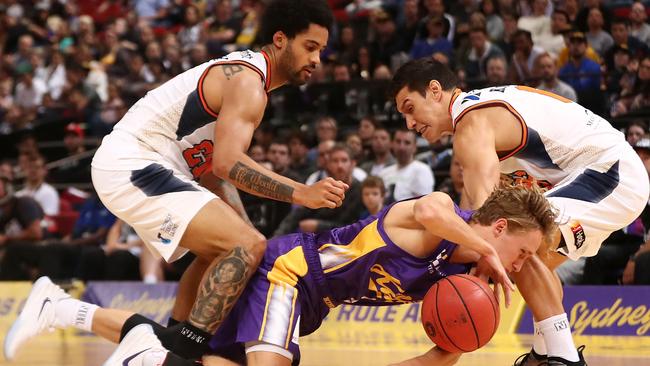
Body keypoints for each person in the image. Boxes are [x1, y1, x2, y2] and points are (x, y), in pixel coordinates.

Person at [8, 0, 345, 362]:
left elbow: (211, 171)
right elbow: (229, 163)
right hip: (133, 162)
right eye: (310, 47)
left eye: (321, 51)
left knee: (228, 250)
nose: (317, 60)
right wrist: (300, 193)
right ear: (280, 39)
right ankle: (170, 352)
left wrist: (246, 234)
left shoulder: (244, 80)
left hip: (142, 165)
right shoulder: (249, 82)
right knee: (243, 247)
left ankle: (63, 309)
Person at [6, 185, 557, 366]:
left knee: (205, 362)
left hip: (311, 303)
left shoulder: (463, 285)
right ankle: (148, 351)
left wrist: (459, 345)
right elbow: (436, 213)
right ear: (499, 226)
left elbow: (442, 353)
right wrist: (482, 247)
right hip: (290, 273)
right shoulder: (443, 214)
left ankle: (60, 307)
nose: (518, 267)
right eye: (521, 252)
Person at [390, 58, 648, 365]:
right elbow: (476, 219)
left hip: (609, 171)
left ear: (435, 91)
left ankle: (564, 358)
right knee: (529, 256)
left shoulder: (471, 124)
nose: (409, 123)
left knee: (513, 240)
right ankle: (544, 350)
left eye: (409, 108)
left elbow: (488, 227)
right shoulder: (479, 116)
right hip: (609, 175)